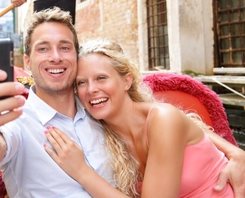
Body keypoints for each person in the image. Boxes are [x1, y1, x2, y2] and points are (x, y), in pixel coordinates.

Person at [0, 6, 245, 197]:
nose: (56, 56)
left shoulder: (97, 111)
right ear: (28, 62)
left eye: (65, 47)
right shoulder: (17, 120)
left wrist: (236, 153)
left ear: (74, 58)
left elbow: (174, 123)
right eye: (44, 48)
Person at [45, 39, 235, 197]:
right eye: (82, 82)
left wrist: (81, 172)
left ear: (127, 81)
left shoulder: (163, 118)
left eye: (101, 78)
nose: (92, 89)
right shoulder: (102, 136)